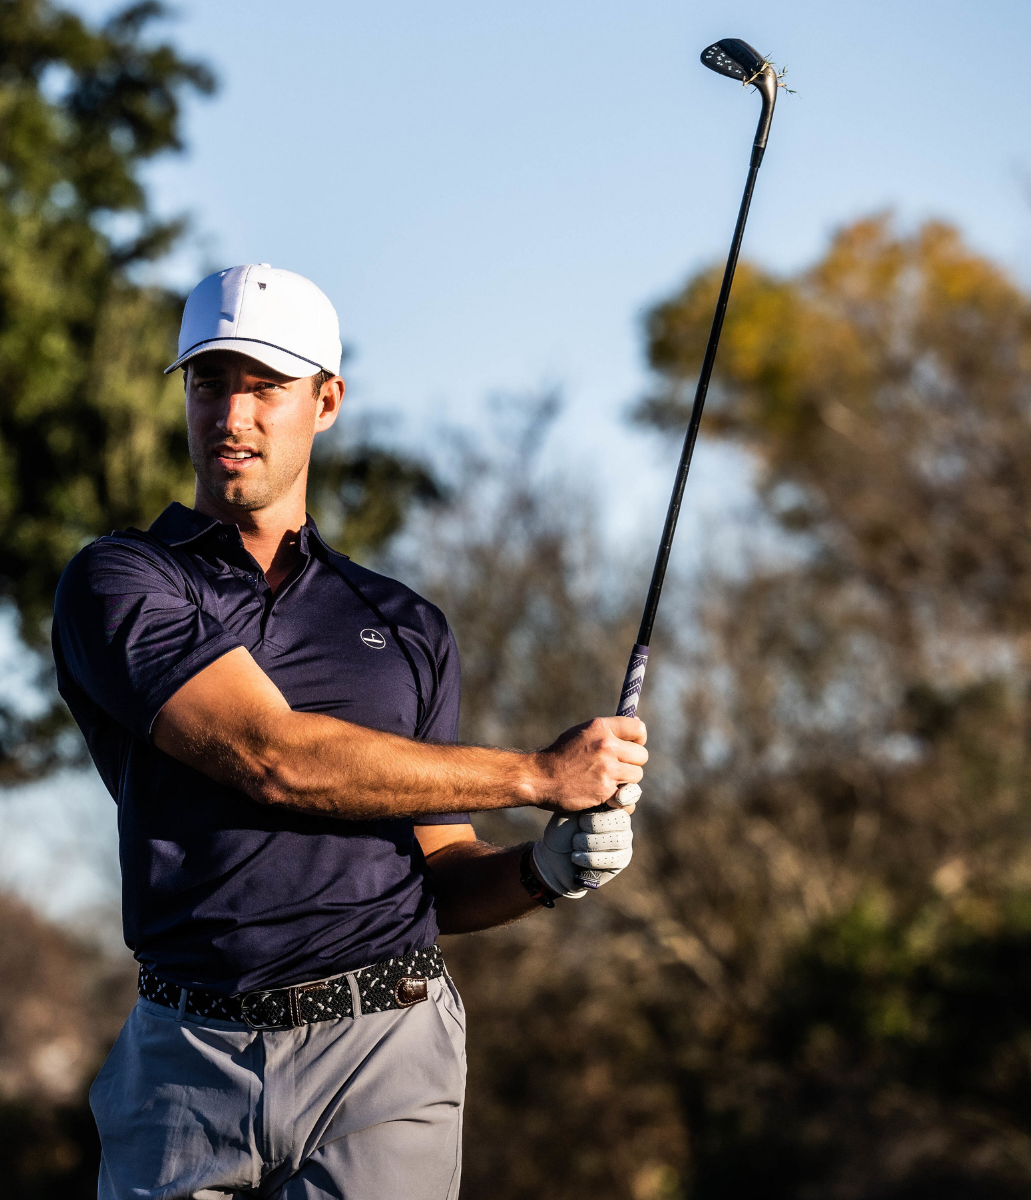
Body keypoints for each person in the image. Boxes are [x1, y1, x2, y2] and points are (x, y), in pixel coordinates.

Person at [52, 264, 646, 1200]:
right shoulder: (124, 579)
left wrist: (543, 869)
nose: (231, 415)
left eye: (265, 387)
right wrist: (538, 775)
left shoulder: (406, 625)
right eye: (209, 382)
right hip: (185, 1063)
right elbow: (271, 756)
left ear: (326, 402)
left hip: (384, 1051)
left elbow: (440, 873)